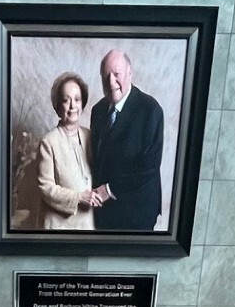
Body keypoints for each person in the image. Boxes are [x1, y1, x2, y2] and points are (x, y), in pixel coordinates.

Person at [86, 49, 165, 233]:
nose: (111, 81)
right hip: (104, 214)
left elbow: (149, 167)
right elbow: (97, 162)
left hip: (137, 214)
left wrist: (109, 189)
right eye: (105, 76)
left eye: (116, 74)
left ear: (130, 72)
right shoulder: (98, 111)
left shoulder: (150, 110)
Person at [34, 72, 98, 231]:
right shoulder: (48, 142)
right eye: (65, 100)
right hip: (58, 226)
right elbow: (46, 188)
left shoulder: (90, 135)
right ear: (57, 105)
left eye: (77, 99)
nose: (72, 106)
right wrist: (78, 197)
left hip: (87, 223)